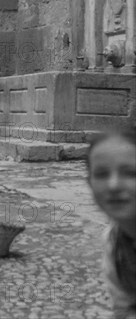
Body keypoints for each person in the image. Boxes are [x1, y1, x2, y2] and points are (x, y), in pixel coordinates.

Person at [88, 129, 136, 318]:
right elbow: (123, 307)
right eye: (101, 174)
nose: (113, 185)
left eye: (130, 173)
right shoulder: (114, 242)